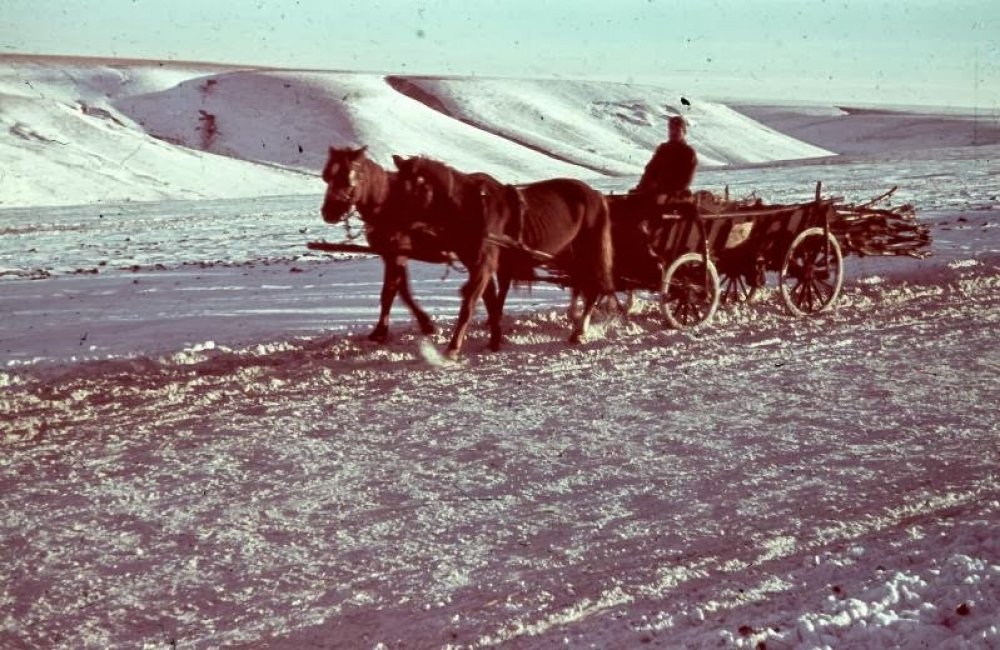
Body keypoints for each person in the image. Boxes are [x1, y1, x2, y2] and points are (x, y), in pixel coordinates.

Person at [634, 115, 697, 200]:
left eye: (677, 130)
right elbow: (650, 170)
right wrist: (641, 188)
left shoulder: (688, 153)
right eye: (671, 129)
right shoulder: (663, 149)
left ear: (684, 132)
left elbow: (685, 180)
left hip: (674, 196)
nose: (673, 132)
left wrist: (669, 194)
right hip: (655, 192)